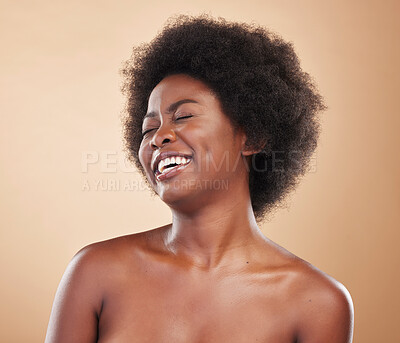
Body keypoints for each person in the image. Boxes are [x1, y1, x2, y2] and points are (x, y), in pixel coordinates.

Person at [45, 14, 354, 343]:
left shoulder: (317, 302)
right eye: (148, 128)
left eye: (184, 116)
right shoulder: (95, 273)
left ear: (252, 137)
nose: (158, 137)